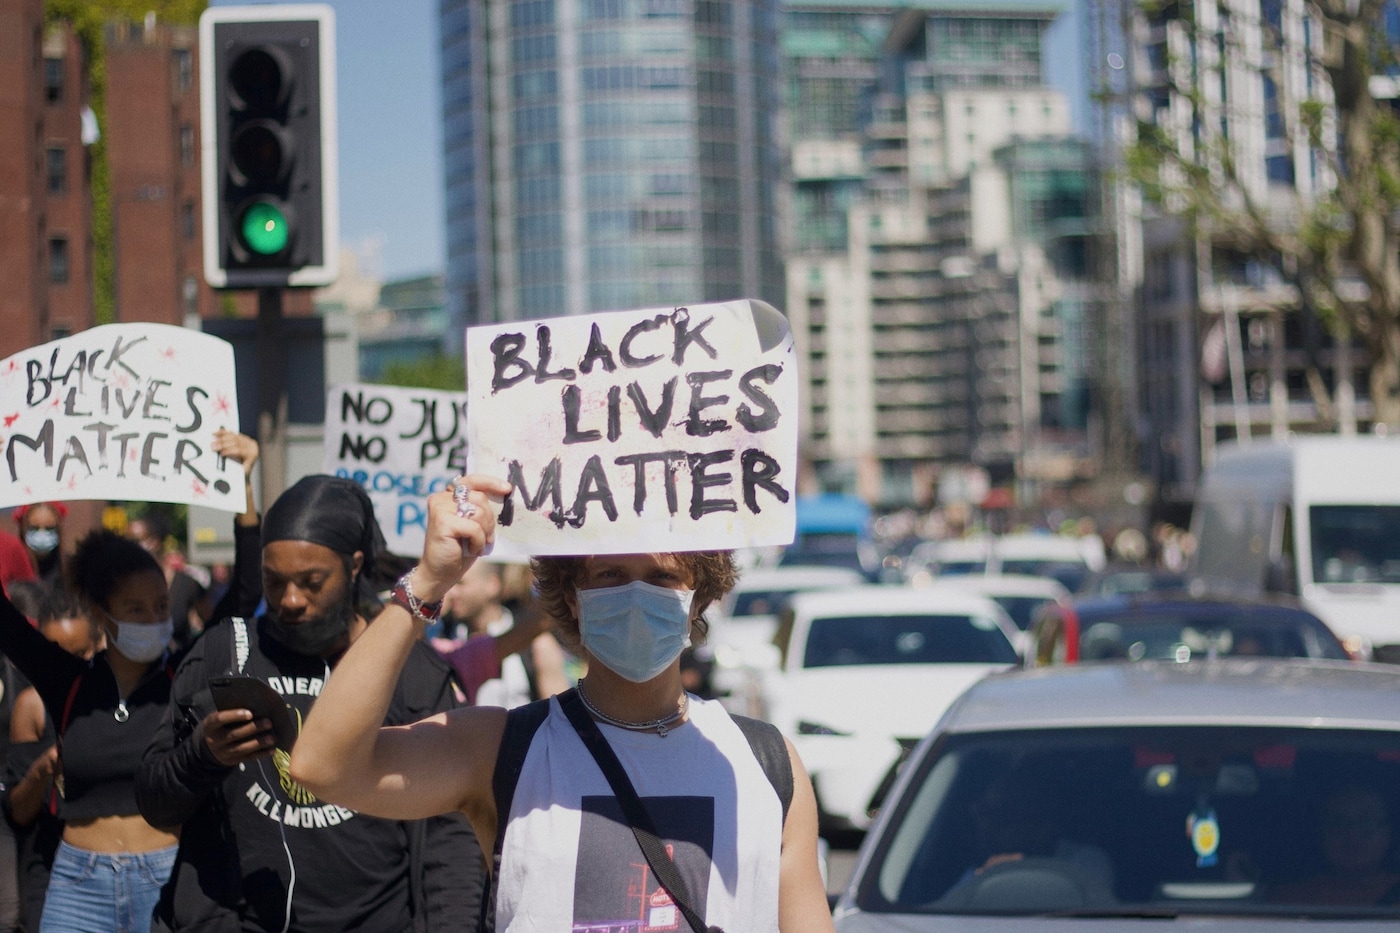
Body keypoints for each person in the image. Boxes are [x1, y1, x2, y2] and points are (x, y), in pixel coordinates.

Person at [289, 475, 836, 932]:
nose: (636, 594)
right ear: (573, 595)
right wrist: (428, 582)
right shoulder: (503, 750)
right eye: (611, 576)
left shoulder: (767, 766)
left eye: (663, 576)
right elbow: (323, 766)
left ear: (702, 594)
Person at [135, 474, 484, 933]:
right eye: (273, 582)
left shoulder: (411, 671)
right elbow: (156, 803)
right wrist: (202, 755)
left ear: (354, 565)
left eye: (311, 582)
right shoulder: (225, 652)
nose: (290, 600)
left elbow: (450, 833)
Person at [0, 528, 182, 933]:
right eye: (136, 609)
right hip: (77, 885)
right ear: (101, 614)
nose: (153, 620)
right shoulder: (69, 681)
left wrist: (245, 497)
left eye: (162, 606)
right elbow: (6, 624)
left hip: (165, 878)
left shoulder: (183, 677)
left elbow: (242, 599)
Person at [4, 589, 104, 931]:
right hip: (49, 865)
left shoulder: (118, 700)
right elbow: (18, 810)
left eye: (80, 654)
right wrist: (44, 768)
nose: (68, 668)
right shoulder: (31, 706)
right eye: (54, 655)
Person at [432, 559, 568, 708]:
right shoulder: (440, 639)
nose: (451, 593)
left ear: (492, 585)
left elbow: (559, 711)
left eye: (461, 583)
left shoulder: (537, 644)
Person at [1268, 783, 1400, 906]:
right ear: (1321, 833)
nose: (1352, 834)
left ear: (1389, 832)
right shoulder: (1286, 900)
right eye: (1338, 823)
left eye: (1366, 822)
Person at [12, 504, 67, 592]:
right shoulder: (11, 570)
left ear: (59, 529)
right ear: (23, 529)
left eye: (49, 528)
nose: (42, 533)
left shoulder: (71, 570)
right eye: (34, 528)